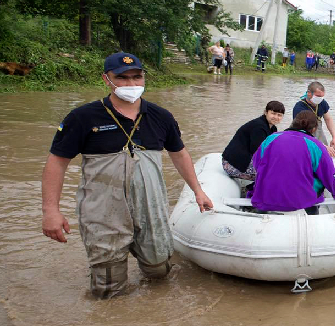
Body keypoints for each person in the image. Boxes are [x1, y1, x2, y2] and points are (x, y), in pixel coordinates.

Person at [41, 53, 213, 298]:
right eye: (121, 78)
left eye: (136, 77)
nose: (131, 84)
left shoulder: (161, 116)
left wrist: (198, 191)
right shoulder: (82, 118)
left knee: (159, 270)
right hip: (103, 211)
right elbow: (56, 163)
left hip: (150, 207)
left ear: (144, 77)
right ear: (106, 79)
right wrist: (51, 211)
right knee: (109, 287)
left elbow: (179, 153)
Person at [251, 111, 335, 215]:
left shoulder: (271, 138)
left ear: (293, 123)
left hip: (266, 197)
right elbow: (329, 173)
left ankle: (261, 213)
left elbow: (257, 163)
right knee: (314, 183)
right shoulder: (316, 145)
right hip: (301, 200)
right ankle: (312, 217)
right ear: (313, 129)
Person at [221, 101, 285, 181]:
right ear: (265, 112)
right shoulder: (259, 127)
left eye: (279, 115)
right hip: (232, 164)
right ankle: (258, 191)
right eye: (273, 113)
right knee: (274, 174)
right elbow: (258, 152)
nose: (276, 117)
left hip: (244, 160)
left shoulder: (272, 128)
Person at [292, 81, 335, 157]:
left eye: (322, 96)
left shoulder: (322, 103)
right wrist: (323, 146)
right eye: (318, 96)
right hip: (304, 138)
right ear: (309, 93)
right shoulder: (299, 108)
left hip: (318, 135)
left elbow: (328, 119)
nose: (320, 99)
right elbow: (302, 132)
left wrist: (334, 137)